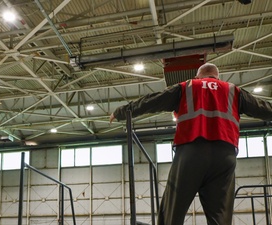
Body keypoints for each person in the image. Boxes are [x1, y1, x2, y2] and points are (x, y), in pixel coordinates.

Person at [109, 63, 272, 225]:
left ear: (197, 76)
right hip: (225, 157)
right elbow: (263, 108)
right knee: (220, 216)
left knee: (172, 208)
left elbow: (153, 101)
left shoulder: (187, 86)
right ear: (218, 77)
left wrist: (123, 111)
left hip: (191, 152)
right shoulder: (233, 90)